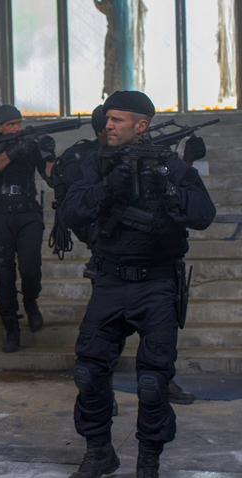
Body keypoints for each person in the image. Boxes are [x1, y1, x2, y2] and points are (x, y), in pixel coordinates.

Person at [60, 91, 216, 478]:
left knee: (152, 381)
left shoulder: (168, 163)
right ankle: (99, 452)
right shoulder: (97, 162)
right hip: (110, 280)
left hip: (157, 284)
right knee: (88, 372)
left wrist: (167, 188)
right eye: (107, 118)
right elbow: (71, 211)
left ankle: (149, 460)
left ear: (141, 126)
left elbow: (203, 214)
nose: (108, 125)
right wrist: (107, 187)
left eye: (117, 120)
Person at [0, 105, 54, 353]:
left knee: (30, 268)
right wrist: (13, 151)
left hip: (28, 212)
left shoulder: (29, 144)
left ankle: (30, 301)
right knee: (4, 275)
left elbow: (51, 178)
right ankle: (11, 328)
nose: (16, 128)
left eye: (19, 123)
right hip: (1, 214)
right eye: (11, 125)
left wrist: (49, 154)